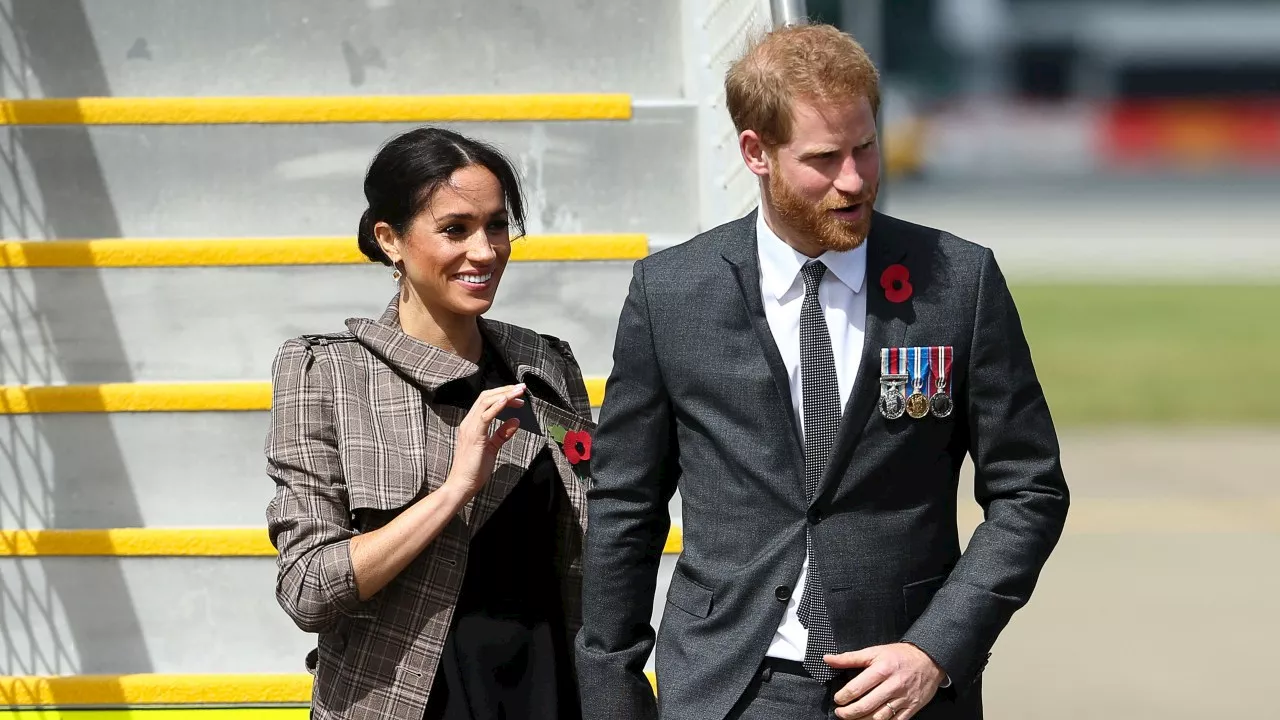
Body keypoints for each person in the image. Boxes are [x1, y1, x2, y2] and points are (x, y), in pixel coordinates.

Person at [575, 24, 1069, 720]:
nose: (855, 179)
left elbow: (1031, 492)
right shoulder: (671, 292)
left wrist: (936, 649)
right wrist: (612, 694)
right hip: (728, 688)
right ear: (756, 153)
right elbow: (624, 503)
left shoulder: (960, 281)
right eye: (825, 158)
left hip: (902, 688)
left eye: (866, 148)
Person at [265, 127, 592, 720]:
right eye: (454, 229)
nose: (485, 251)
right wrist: (455, 490)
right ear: (390, 240)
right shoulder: (328, 373)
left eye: (497, 225)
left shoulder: (544, 364)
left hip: (551, 696)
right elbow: (306, 588)